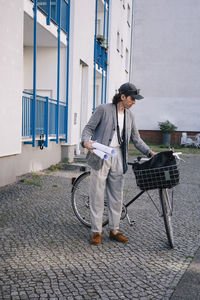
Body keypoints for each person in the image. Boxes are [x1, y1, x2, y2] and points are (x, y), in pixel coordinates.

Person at [81, 82, 155, 245]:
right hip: (101, 154)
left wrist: (150, 153)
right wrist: (86, 142)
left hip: (118, 156)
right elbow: (88, 128)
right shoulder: (103, 109)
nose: (134, 102)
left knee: (117, 196)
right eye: (132, 99)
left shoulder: (130, 116)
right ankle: (96, 231)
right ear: (123, 97)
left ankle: (114, 230)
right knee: (97, 194)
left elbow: (136, 139)